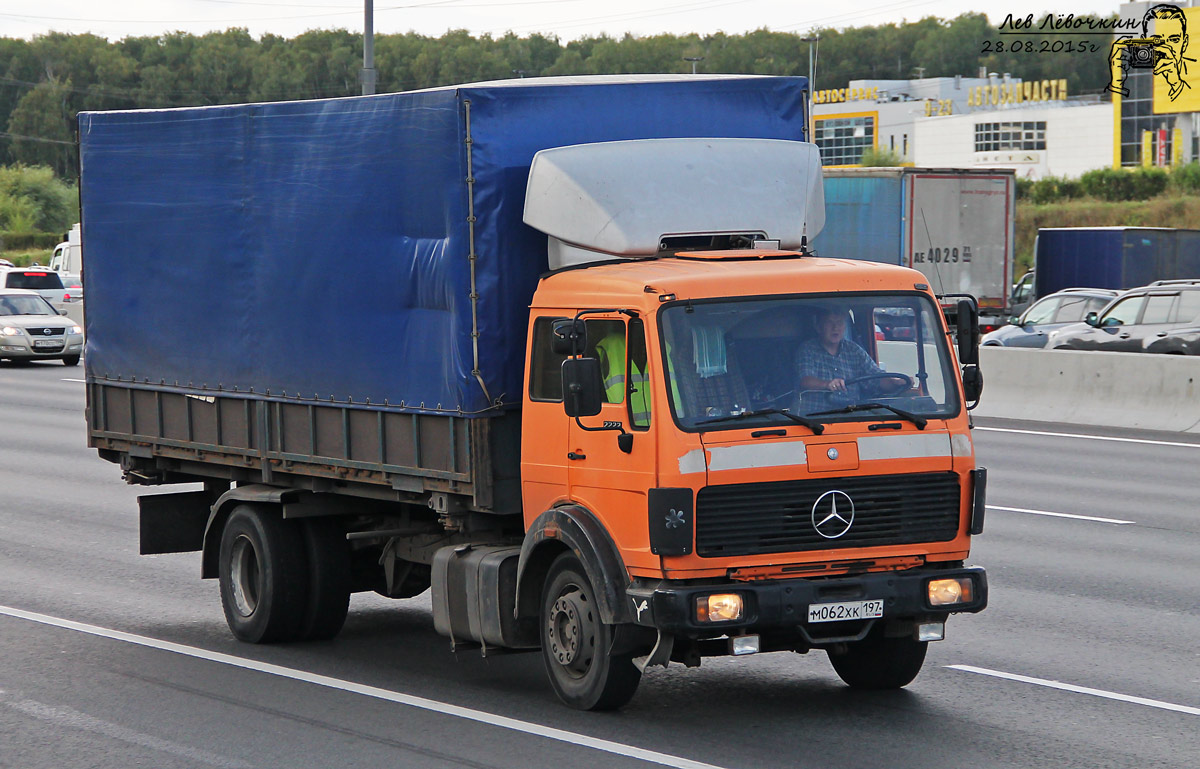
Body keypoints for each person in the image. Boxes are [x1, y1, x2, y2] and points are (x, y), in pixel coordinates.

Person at [797, 307, 887, 400]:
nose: (835, 328)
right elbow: (805, 381)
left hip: (851, 413)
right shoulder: (808, 349)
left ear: (845, 327)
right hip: (812, 413)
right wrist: (827, 384)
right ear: (819, 327)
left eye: (839, 322)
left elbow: (876, 379)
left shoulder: (854, 350)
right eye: (829, 322)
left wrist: (895, 382)